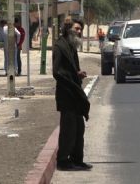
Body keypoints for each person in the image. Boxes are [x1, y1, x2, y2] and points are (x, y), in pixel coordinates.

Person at [52, 18, 92, 171]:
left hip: (75, 93)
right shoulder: (59, 46)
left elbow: (71, 70)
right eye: (77, 28)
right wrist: (74, 77)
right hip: (66, 93)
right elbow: (57, 72)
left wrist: (77, 74)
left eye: (80, 29)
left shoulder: (71, 46)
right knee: (68, 129)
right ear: (68, 29)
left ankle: (77, 159)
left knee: (78, 128)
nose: (79, 31)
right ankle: (63, 161)